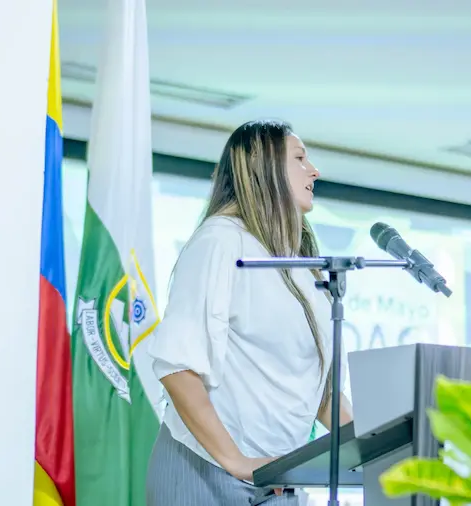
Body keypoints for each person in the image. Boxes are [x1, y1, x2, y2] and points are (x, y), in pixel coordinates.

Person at [145, 119, 354, 505]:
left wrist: (374, 449)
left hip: (276, 475)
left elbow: (320, 392)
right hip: (205, 469)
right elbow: (177, 368)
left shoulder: (303, 265)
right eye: (300, 158)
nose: (314, 170)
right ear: (265, 167)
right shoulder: (221, 240)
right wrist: (237, 462)